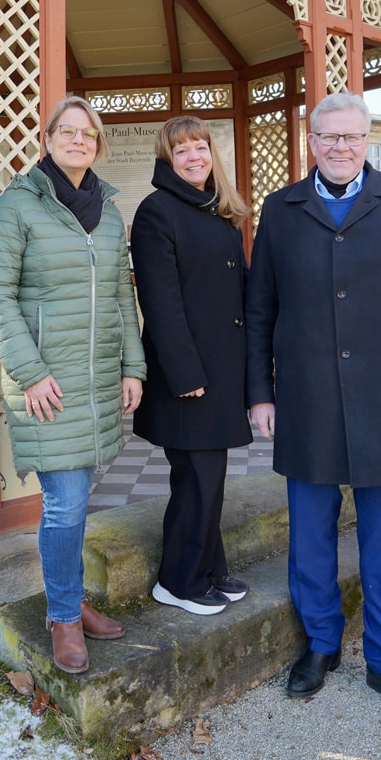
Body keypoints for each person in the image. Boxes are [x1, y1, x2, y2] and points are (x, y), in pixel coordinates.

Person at [246, 92, 381, 723]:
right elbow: (260, 310)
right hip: (307, 399)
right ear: (310, 142)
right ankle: (320, 647)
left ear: (369, 140)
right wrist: (261, 391)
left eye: (351, 137)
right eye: (326, 137)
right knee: (309, 537)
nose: (339, 147)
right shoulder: (281, 210)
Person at [0, 96, 146, 675]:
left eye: (88, 134)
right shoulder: (19, 205)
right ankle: (63, 617)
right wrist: (29, 372)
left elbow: (124, 297)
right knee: (66, 501)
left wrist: (133, 366)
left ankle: (71, 601)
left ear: (98, 144)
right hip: (46, 382)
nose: (78, 141)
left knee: (79, 502)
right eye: (67, 132)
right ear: (46, 139)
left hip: (98, 376)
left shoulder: (109, 209)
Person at [131, 116, 254, 616]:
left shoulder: (219, 210)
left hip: (221, 370)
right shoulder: (156, 211)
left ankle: (208, 568)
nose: (194, 157)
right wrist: (186, 376)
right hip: (188, 376)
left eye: (200, 147)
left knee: (209, 476)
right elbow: (160, 302)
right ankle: (177, 581)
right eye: (181, 151)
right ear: (168, 159)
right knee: (197, 478)